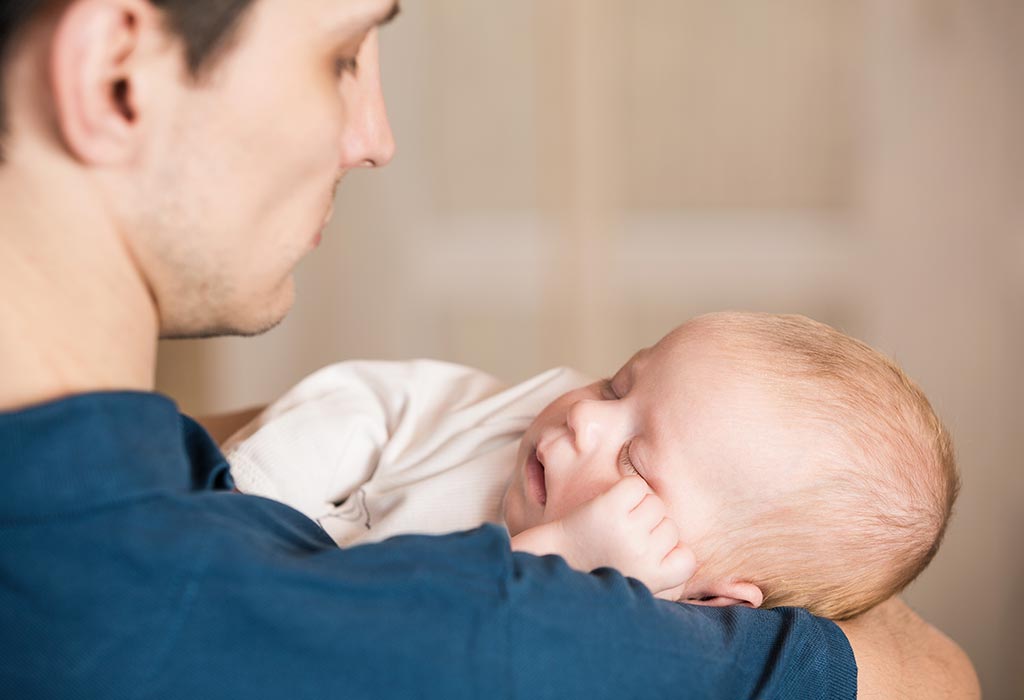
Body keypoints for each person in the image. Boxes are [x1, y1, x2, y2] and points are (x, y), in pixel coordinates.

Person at [0, 0, 978, 698]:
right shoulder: (477, 628)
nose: (374, 137)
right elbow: (929, 678)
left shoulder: (111, 486)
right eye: (341, 56)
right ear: (114, 74)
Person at [222, 311, 958, 620]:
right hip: (239, 540)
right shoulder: (521, 415)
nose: (585, 416)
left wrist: (557, 556)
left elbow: (434, 633)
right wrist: (246, 490)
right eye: (619, 382)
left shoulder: (607, 624)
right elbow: (372, 401)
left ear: (705, 598)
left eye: (635, 463)